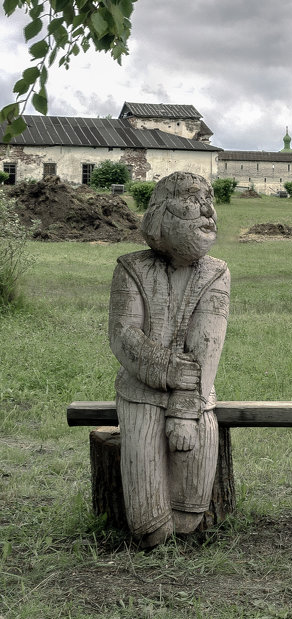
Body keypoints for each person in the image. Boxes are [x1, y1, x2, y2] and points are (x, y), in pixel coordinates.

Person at [108, 172, 230, 547]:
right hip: (140, 392)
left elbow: (207, 346)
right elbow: (124, 336)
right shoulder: (132, 268)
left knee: (188, 513)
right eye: (193, 199)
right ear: (161, 212)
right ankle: (150, 529)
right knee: (150, 525)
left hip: (195, 397)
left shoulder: (217, 272)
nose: (208, 209)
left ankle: (188, 521)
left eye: (209, 199)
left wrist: (183, 409)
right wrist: (169, 371)